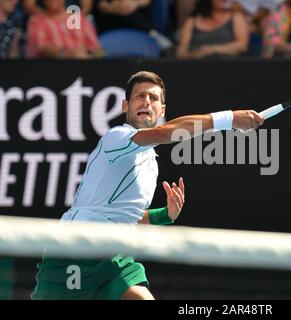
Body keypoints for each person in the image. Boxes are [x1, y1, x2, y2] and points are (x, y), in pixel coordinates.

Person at [31, 71, 264, 300]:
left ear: (162, 110)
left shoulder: (151, 162)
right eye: (139, 96)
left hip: (115, 257)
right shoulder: (117, 137)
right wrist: (229, 119)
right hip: (75, 249)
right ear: (125, 106)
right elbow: (165, 133)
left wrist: (166, 215)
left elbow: (125, 216)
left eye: (153, 98)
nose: (146, 101)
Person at [26, 0, 102, 58]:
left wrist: (86, 53)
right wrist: (67, 54)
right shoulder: (37, 20)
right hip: (53, 68)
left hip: (83, 65)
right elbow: (41, 48)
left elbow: (96, 47)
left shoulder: (80, 19)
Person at [176, 0, 249, 59]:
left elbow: (242, 46)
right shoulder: (192, 22)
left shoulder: (236, 17)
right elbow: (181, 52)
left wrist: (213, 49)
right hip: (196, 66)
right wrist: (195, 55)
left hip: (227, 66)